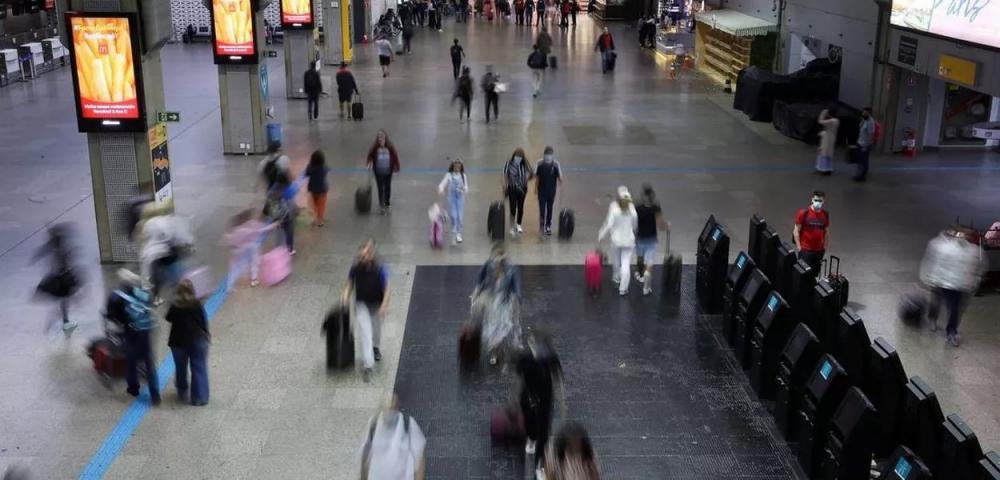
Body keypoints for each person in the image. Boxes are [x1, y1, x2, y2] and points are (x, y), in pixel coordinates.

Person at [919, 228, 984, 347]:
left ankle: (951, 332)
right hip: (941, 281)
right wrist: (930, 277)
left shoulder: (973, 251)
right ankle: (933, 318)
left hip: (957, 285)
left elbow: (978, 268)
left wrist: (973, 282)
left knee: (954, 309)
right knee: (936, 302)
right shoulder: (942, 246)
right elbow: (934, 262)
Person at [107, 269, 160, 405]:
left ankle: (133, 388)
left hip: (130, 332)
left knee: (131, 360)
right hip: (145, 331)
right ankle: (155, 395)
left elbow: (111, 315)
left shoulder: (116, 296)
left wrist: (121, 323)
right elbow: (151, 301)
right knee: (149, 362)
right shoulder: (139, 292)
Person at [342, 239, 391, 382]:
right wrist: (345, 297)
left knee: (376, 329)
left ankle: (376, 348)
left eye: (364, 256)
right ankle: (368, 365)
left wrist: (384, 306)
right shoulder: (355, 267)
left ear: (370, 255)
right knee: (365, 333)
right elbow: (349, 285)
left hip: (376, 303)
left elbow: (387, 289)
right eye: (360, 256)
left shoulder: (381, 268)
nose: (361, 259)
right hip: (361, 303)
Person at [517, 331, 564, 480]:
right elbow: (519, 379)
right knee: (530, 423)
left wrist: (562, 400)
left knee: (544, 432)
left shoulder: (550, 357)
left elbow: (557, 378)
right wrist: (513, 399)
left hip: (545, 397)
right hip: (529, 395)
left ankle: (540, 466)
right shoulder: (525, 357)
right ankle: (531, 438)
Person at [473, 244, 523, 365]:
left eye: (500, 259)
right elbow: (480, 277)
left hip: (504, 302)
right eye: (495, 258)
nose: (497, 262)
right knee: (492, 328)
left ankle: (497, 346)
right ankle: (494, 352)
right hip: (491, 303)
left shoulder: (511, 269)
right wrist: (477, 292)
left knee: (503, 327)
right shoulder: (488, 265)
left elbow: (516, 284)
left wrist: (517, 297)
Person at [359, 394, 426, 479]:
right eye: (387, 408)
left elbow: (419, 458)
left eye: (392, 408)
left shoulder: (408, 424)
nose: (389, 411)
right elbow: (365, 454)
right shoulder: (373, 424)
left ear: (397, 407)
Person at [165, 280, 210, 406]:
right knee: (199, 368)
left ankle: (182, 391)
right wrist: (207, 335)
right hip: (197, 339)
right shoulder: (196, 304)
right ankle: (199, 398)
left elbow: (168, 318)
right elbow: (202, 321)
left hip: (178, 341)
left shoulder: (175, 305)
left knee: (180, 368)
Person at [138, 209, 194, 305]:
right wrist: (188, 245)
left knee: (157, 278)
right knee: (175, 276)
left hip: (153, 256)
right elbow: (176, 237)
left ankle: (157, 297)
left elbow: (144, 239)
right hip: (166, 254)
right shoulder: (167, 221)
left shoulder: (148, 224)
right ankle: (180, 295)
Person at [33, 224, 82, 333]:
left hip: (59, 277)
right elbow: (65, 260)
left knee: (64, 302)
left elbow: (42, 251)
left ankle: (63, 321)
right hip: (62, 278)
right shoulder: (61, 248)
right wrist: (72, 253)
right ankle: (62, 322)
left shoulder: (54, 246)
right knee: (65, 301)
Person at [598, 186, 638, 296]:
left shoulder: (614, 209)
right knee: (625, 263)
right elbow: (635, 225)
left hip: (616, 240)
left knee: (616, 259)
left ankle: (616, 277)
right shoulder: (632, 210)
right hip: (629, 240)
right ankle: (623, 289)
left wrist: (601, 234)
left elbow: (609, 224)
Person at [223, 210, 276, 290]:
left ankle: (230, 284)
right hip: (251, 247)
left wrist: (229, 240)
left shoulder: (237, 229)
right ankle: (253, 279)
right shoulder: (250, 225)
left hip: (241, 250)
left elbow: (231, 240)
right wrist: (272, 225)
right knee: (254, 262)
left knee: (238, 266)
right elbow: (262, 229)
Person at [634, 184, 665, 296]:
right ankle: (646, 286)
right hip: (651, 238)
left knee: (640, 256)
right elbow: (660, 225)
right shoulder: (656, 207)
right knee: (650, 261)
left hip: (639, 237)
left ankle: (640, 274)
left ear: (643, 195)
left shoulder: (637, 207)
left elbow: (633, 222)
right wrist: (666, 226)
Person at [792, 191, 830, 277]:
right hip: (805, 250)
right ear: (812, 199)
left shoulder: (825, 215)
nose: (818, 203)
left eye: (820, 201)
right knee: (803, 275)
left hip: (818, 251)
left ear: (823, 201)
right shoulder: (803, 213)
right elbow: (796, 230)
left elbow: (827, 232)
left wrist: (824, 248)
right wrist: (799, 247)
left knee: (814, 275)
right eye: (816, 200)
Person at [366, 130, 401, 214]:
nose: (381, 140)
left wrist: (397, 167)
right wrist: (369, 162)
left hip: (388, 171)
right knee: (380, 188)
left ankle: (387, 202)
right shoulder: (375, 147)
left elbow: (395, 156)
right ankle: (381, 205)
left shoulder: (390, 147)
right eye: (379, 138)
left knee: (387, 187)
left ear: (385, 138)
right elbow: (370, 155)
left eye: (382, 138)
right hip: (378, 171)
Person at [265, 175, 301, 255]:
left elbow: (270, 204)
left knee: (279, 233)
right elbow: (292, 203)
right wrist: (296, 210)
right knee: (289, 232)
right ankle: (290, 249)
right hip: (288, 216)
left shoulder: (272, 190)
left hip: (277, 217)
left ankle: (278, 249)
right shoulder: (289, 190)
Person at [503, 148, 534, 236]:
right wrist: (505, 185)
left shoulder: (525, 164)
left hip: (523, 189)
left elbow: (531, 174)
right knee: (513, 208)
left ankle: (518, 224)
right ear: (514, 156)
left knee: (521, 207)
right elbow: (504, 175)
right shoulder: (508, 163)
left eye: (520, 157)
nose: (518, 159)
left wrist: (528, 176)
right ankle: (511, 227)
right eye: (517, 157)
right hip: (512, 188)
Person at [438, 159, 469, 243]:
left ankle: (459, 233)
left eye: (459, 167)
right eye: (456, 166)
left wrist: (463, 189)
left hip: (460, 199)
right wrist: (441, 189)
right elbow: (442, 184)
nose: (457, 168)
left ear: (461, 167)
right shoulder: (449, 175)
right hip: (451, 198)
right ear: (453, 166)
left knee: (460, 216)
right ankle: (454, 229)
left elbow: (466, 188)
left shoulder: (463, 176)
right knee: (453, 215)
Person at [534, 146, 562, 235]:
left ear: (552, 155)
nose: (548, 157)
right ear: (544, 155)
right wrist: (535, 188)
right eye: (547, 155)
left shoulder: (556, 164)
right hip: (541, 191)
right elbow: (537, 177)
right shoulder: (539, 163)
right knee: (542, 210)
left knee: (550, 209)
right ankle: (542, 226)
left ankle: (548, 226)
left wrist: (560, 181)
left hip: (551, 191)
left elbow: (560, 177)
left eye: (549, 155)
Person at [305, 150, 331, 226]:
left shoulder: (310, 167)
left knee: (315, 204)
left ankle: (316, 217)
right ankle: (320, 220)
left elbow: (306, 173)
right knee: (322, 205)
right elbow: (328, 169)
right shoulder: (323, 167)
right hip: (323, 189)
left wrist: (310, 164)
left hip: (313, 189)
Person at [854, 107, 876, 182]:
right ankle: (859, 175)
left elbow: (871, 135)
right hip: (860, 142)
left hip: (865, 145)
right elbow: (861, 129)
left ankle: (862, 176)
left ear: (869, 113)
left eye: (864, 112)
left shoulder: (871, 122)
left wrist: (867, 146)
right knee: (860, 160)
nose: (863, 113)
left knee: (864, 161)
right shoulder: (864, 119)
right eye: (863, 112)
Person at [816, 109, 839, 175]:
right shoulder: (836, 120)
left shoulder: (831, 120)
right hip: (832, 137)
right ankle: (828, 169)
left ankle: (824, 169)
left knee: (824, 153)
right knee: (828, 154)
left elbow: (820, 121)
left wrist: (823, 113)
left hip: (827, 138)